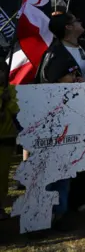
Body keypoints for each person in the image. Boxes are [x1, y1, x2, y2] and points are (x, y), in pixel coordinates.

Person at [36, 12, 85, 213]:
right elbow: (52, 79)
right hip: (65, 115)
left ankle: (82, 199)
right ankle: (57, 208)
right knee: (65, 160)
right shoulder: (55, 52)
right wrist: (76, 83)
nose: (80, 22)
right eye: (76, 21)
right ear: (68, 27)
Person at [43, 57, 84, 230]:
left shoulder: (74, 93)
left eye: (76, 74)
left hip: (67, 147)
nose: (75, 77)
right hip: (48, 150)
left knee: (63, 182)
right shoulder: (45, 96)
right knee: (47, 184)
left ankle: (60, 215)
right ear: (58, 76)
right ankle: (42, 217)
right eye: (71, 74)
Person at [0, 61, 18, 221]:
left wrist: (8, 101)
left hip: (7, 138)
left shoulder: (10, 90)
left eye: (3, 71)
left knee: (3, 175)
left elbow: (17, 110)